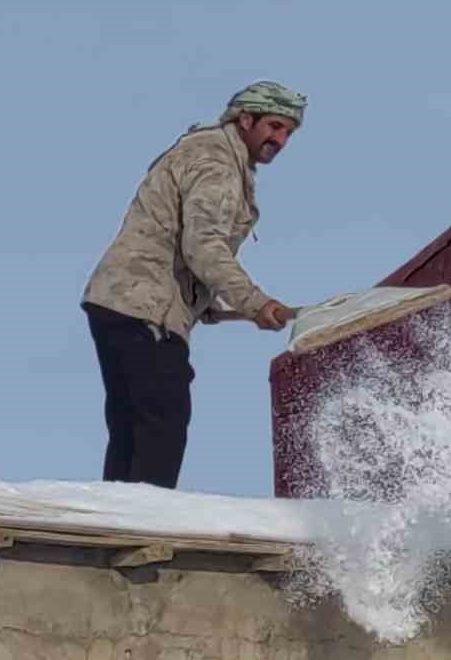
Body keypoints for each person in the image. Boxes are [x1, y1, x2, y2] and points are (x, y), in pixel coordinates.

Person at [80, 80, 305, 488]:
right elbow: (203, 245)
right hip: (144, 307)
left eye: (288, 132)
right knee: (162, 419)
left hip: (123, 301)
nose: (281, 140)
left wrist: (219, 308)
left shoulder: (210, 153)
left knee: (134, 426)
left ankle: (119, 510)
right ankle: (144, 515)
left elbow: (187, 251)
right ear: (245, 119)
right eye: (274, 126)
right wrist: (255, 302)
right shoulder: (217, 161)